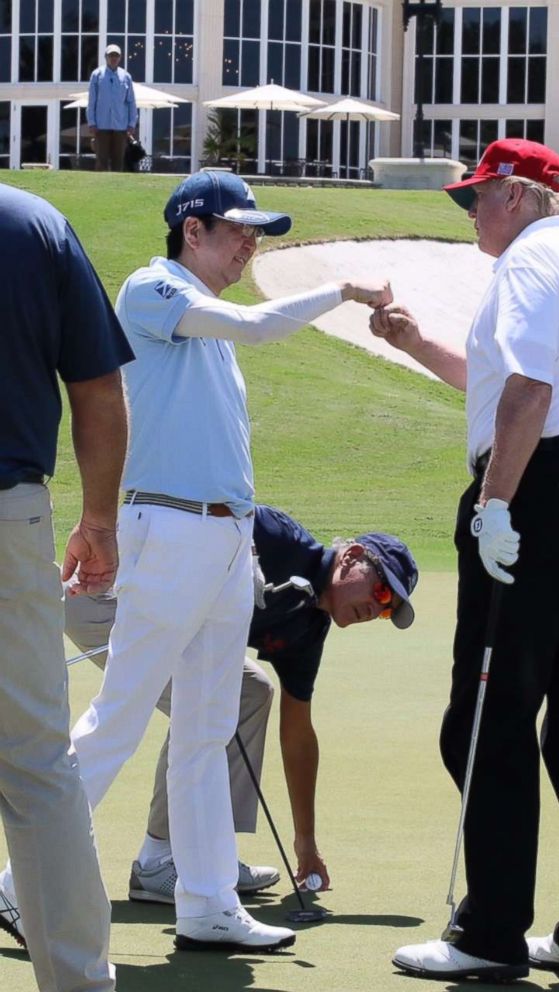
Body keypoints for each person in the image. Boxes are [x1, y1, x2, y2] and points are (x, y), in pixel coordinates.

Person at [3, 169, 392, 956]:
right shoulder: (156, 290)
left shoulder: (206, 324)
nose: (251, 243)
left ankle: (207, 902)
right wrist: (342, 289)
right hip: (167, 530)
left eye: (257, 233)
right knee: (119, 712)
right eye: (240, 229)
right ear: (191, 229)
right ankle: (19, 883)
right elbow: (253, 326)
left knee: (210, 727)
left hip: (219, 538)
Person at [370, 139, 559, 982]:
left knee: (486, 716)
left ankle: (489, 935)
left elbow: (528, 396)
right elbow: (510, 382)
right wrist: (417, 345)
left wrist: (496, 506)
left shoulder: (528, 267)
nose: (469, 215)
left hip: (545, 495)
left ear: (519, 195)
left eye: (476, 199)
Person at [62, 505, 418, 902]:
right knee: (203, 700)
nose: (377, 608)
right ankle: (161, 861)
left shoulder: (307, 628)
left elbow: (298, 735)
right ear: (351, 557)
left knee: (251, 692)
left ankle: (204, 857)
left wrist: (306, 844)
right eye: (381, 590)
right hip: (105, 595)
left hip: (156, 619)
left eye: (388, 610)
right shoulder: (276, 535)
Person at [0, 184, 133, 990]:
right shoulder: (34, 223)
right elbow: (96, 388)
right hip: (9, 514)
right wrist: (100, 520)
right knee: (36, 761)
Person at [87, 44, 137, 172]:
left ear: (120, 58)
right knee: (101, 160)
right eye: (111, 55)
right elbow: (91, 101)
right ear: (106, 57)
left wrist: (132, 123)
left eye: (116, 55)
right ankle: (100, 187)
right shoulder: (97, 75)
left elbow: (131, 102)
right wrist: (91, 122)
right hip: (101, 125)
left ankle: (117, 187)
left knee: (118, 160)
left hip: (120, 126)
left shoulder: (126, 77)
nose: (113, 58)